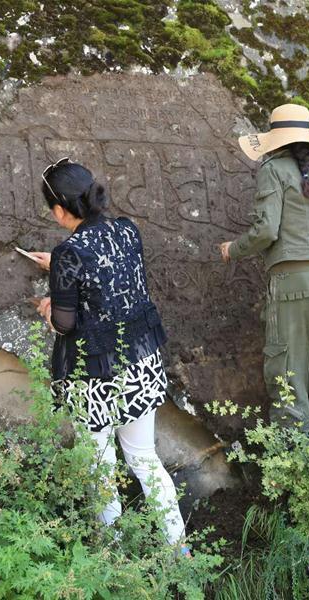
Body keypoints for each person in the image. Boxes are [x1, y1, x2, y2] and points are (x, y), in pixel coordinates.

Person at [29, 158, 189, 554]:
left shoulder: (68, 253)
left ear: (59, 210)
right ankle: (180, 551)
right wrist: (60, 269)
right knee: (145, 459)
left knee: (100, 466)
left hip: (94, 377)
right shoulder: (126, 230)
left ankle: (111, 557)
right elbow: (113, 282)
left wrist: (50, 305)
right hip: (140, 363)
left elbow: (65, 324)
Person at [219, 103, 309, 433]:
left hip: (293, 283)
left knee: (287, 372)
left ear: (274, 139)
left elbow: (267, 230)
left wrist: (233, 249)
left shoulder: (274, 169)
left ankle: (293, 458)